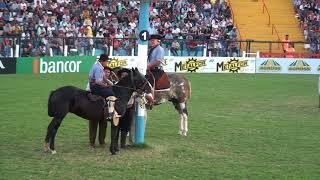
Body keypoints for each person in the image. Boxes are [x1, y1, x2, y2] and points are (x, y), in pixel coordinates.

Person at [88, 54, 116, 119]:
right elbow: (98, 82)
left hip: (95, 85)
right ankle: (110, 114)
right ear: (103, 61)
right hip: (95, 87)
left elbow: (103, 77)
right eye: (107, 61)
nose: (107, 63)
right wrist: (106, 85)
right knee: (111, 93)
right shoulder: (98, 68)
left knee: (110, 88)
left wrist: (109, 82)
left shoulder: (97, 66)